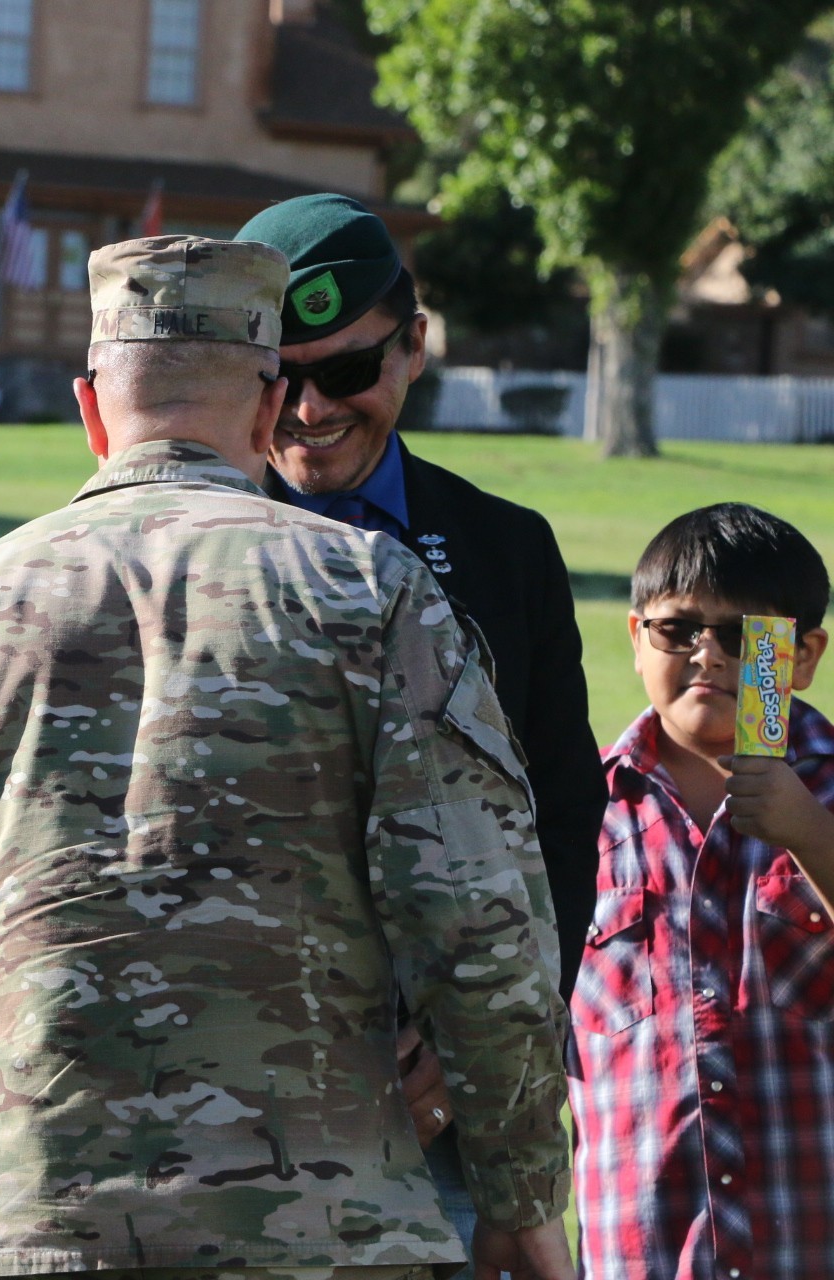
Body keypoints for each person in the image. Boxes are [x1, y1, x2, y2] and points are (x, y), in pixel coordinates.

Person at [0, 236, 574, 1280]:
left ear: (91, 409)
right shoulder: (376, 596)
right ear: (273, 405)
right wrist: (522, 1194)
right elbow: (486, 927)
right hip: (327, 1234)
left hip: (34, 1228)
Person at [236, 193, 605, 1252]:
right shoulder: (180, 545)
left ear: (415, 346)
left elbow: (563, 812)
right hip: (223, 1098)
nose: (308, 411)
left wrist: (493, 1039)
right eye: (277, 378)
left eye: (347, 371)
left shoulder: (504, 547)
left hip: (443, 1110)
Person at [570, 503, 834, 1280]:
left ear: (802, 655)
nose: (708, 656)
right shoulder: (579, 807)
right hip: (645, 1246)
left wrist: (809, 833)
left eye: (743, 635)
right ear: (635, 637)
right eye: (678, 630)